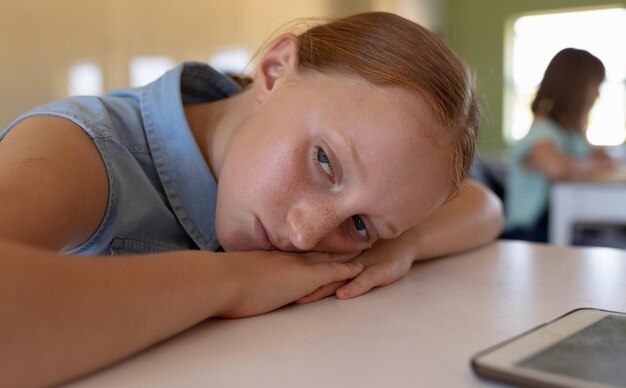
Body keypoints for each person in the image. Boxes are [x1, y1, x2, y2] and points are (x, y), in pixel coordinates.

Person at [0, 12, 503, 386]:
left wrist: (399, 248)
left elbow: (483, 205)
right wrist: (233, 281)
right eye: (325, 161)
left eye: (361, 225)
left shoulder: (359, 217)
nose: (306, 235)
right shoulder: (77, 148)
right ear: (275, 69)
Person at [503, 48, 613, 242]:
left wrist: (597, 155)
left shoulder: (569, 134)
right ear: (574, 87)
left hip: (557, 226)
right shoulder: (542, 130)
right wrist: (594, 164)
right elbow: (555, 168)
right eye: (594, 85)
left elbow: (586, 156)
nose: (597, 94)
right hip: (528, 232)